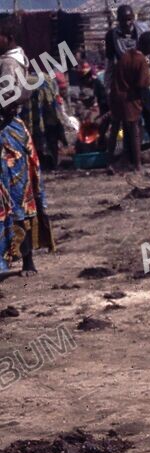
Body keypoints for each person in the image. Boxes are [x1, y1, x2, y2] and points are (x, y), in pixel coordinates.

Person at [0, 18, 55, 275]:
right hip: (15, 132)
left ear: (8, 37)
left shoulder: (8, 64)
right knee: (21, 195)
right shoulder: (18, 59)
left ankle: (21, 258)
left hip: (6, 135)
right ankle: (25, 259)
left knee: (13, 197)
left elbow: (9, 98)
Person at [108, 31, 150, 171]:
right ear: (148, 47)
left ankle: (109, 162)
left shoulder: (124, 56)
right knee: (134, 129)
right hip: (130, 98)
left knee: (114, 129)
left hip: (116, 95)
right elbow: (142, 84)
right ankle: (137, 164)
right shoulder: (141, 60)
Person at [104, 5, 150, 88]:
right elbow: (110, 61)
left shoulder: (143, 30)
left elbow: (149, 51)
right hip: (123, 74)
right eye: (123, 20)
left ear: (133, 18)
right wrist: (108, 84)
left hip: (141, 71)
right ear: (118, 20)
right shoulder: (111, 36)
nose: (127, 23)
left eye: (129, 19)